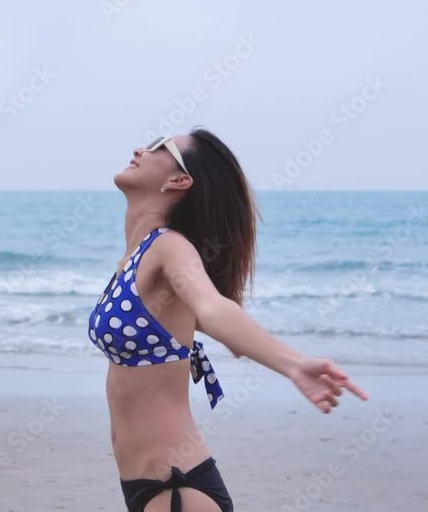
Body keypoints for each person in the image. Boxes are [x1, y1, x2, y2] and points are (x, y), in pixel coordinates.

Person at [87, 129, 368, 512]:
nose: (140, 149)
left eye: (159, 147)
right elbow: (215, 324)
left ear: (179, 180)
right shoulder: (135, 259)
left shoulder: (169, 247)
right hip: (144, 485)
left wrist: (293, 364)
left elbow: (213, 308)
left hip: (175, 488)